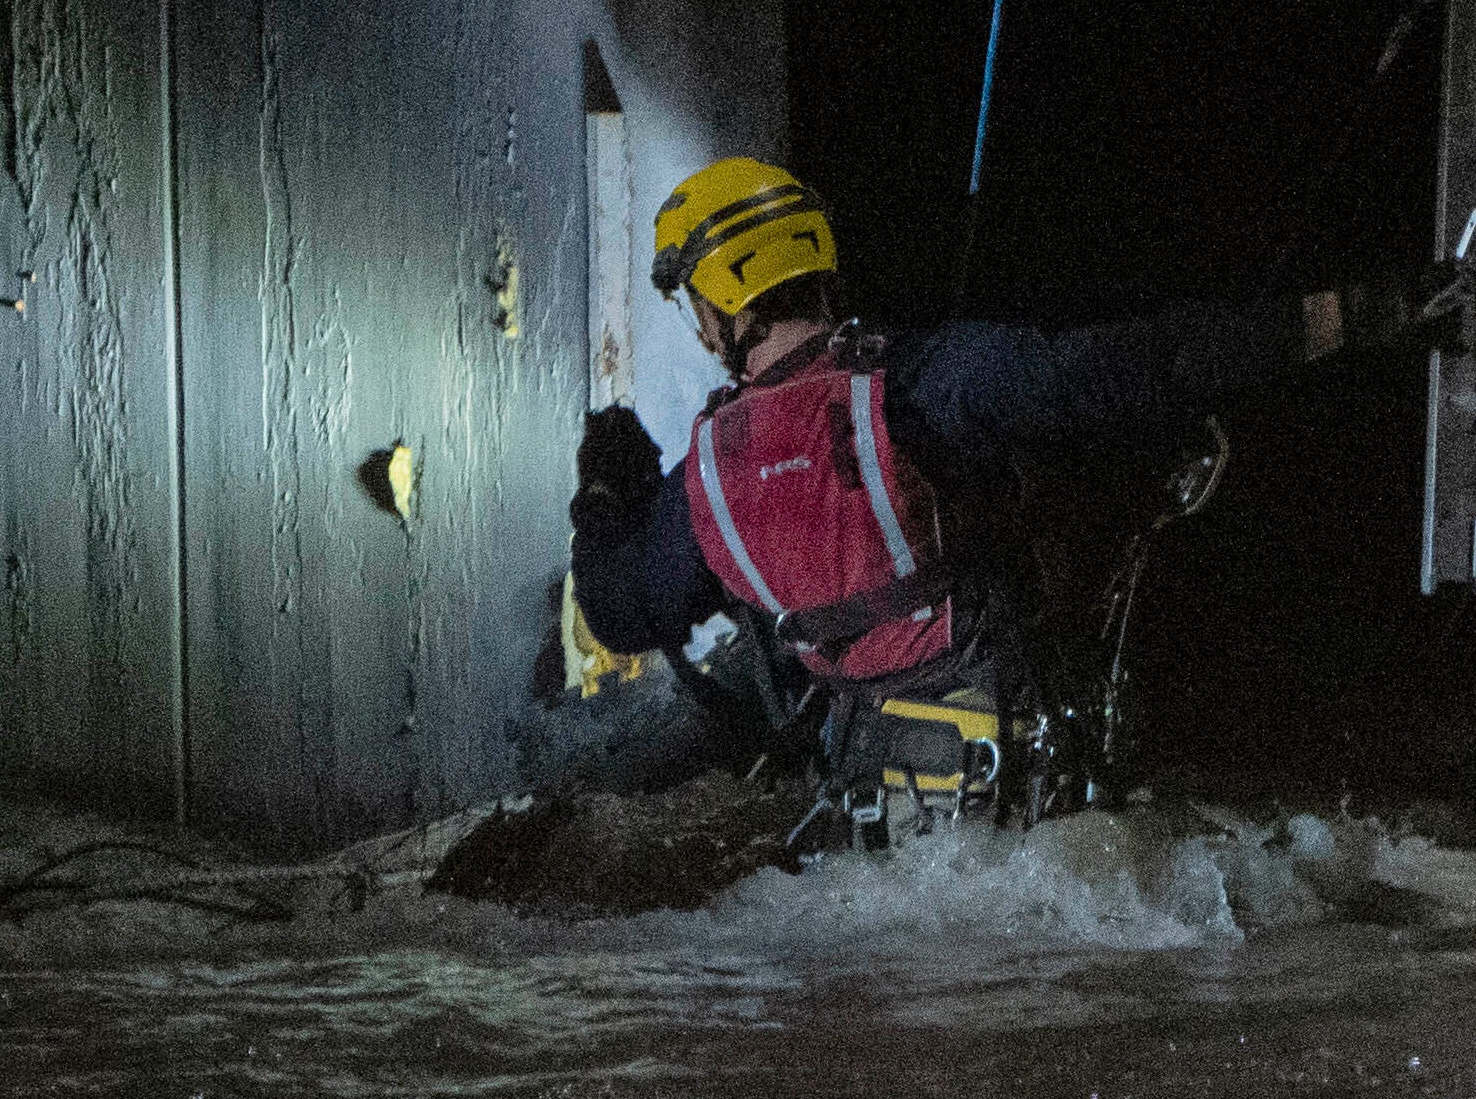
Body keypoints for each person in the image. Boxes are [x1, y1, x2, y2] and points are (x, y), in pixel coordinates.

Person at [548, 155, 1421, 831]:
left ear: (720, 299)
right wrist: (1341, 317)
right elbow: (1135, 367)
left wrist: (602, 489)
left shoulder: (703, 473)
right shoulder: (927, 379)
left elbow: (622, 610)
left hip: (874, 814)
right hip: (1013, 795)